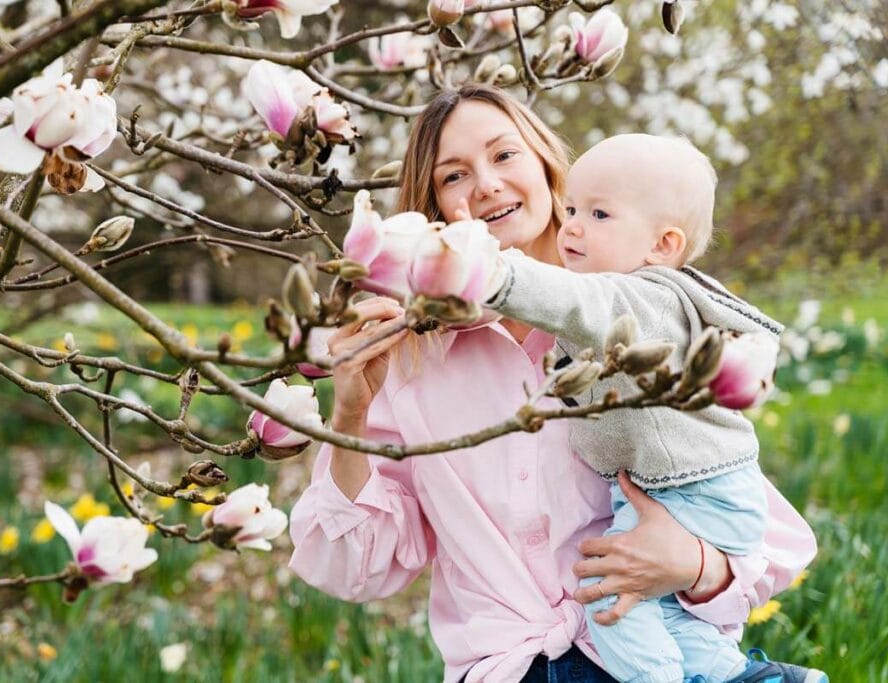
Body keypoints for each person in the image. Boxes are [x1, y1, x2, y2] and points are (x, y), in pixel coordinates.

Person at [288, 84, 817, 683]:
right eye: (454, 176)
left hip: (651, 653)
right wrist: (350, 415)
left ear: (545, 166)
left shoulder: (635, 321)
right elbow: (352, 567)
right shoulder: (411, 363)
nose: (486, 184)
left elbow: (762, 529)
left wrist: (692, 564)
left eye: (504, 155)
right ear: (436, 209)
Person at [477, 133, 824, 682]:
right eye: (571, 208)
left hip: (693, 492)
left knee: (609, 593)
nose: (572, 226)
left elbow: (578, 303)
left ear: (662, 245)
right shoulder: (630, 295)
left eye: (598, 213)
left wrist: (492, 275)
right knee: (664, 614)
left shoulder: (647, 296)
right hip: (676, 491)